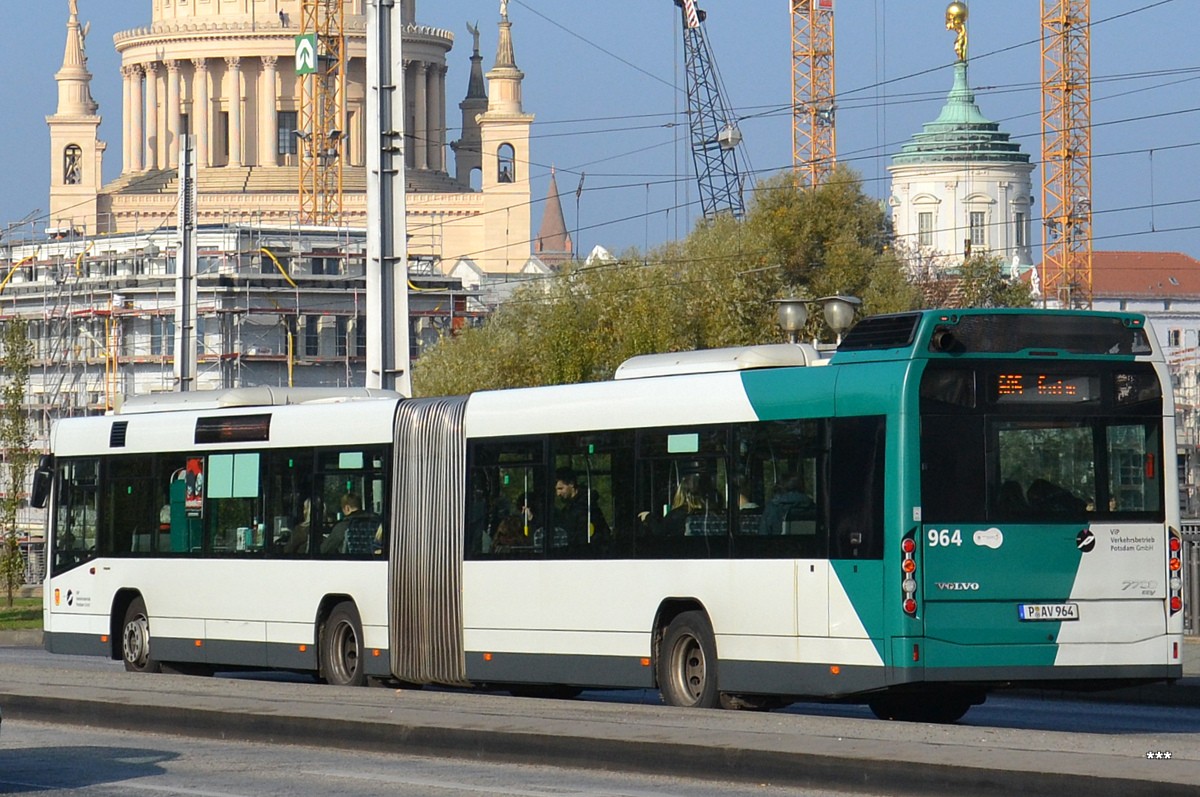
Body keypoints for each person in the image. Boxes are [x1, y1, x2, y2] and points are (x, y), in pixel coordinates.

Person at [554, 468, 609, 549]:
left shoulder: (586, 507)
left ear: (572, 484)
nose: (558, 494)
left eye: (561, 489)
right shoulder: (568, 509)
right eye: (556, 490)